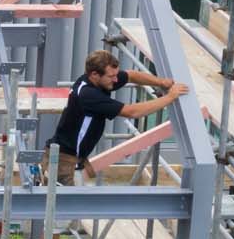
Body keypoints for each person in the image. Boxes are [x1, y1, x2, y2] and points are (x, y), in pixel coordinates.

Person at [52, 50, 186, 185]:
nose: (116, 80)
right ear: (94, 75)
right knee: (69, 204)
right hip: (65, 163)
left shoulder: (97, 81)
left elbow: (131, 76)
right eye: (111, 76)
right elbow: (132, 112)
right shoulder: (88, 95)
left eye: (116, 75)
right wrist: (170, 97)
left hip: (71, 158)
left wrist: (161, 82)